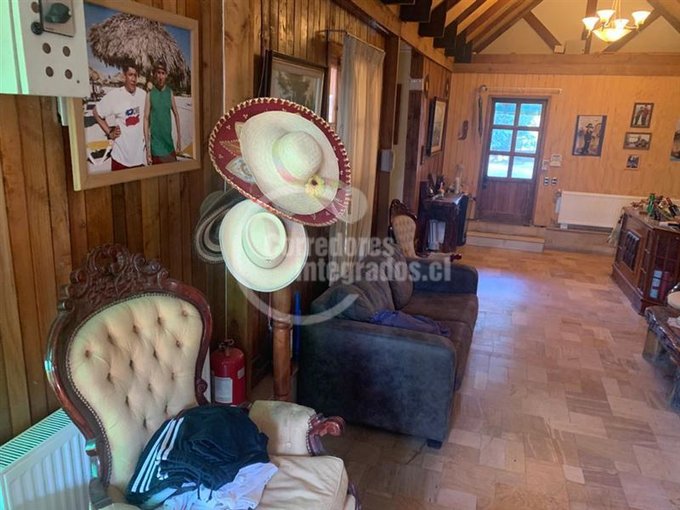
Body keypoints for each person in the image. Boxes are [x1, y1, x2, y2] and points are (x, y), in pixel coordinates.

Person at [92, 63, 147, 170]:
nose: (133, 79)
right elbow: (96, 112)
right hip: (120, 159)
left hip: (139, 159)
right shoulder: (115, 95)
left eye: (135, 75)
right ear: (124, 76)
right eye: (130, 75)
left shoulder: (143, 95)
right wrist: (109, 132)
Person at [144, 61, 181, 165]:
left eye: (163, 73)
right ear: (155, 74)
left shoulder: (169, 92)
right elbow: (146, 119)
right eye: (158, 73)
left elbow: (176, 115)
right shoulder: (150, 93)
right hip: (155, 147)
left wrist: (179, 139)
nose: (160, 76)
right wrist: (147, 149)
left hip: (169, 145)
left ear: (166, 75)